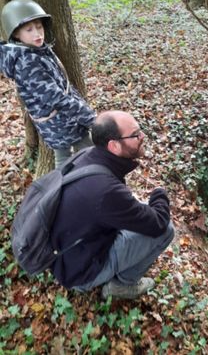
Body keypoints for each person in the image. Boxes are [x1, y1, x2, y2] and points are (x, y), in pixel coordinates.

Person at [50, 110, 174, 300]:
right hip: (80, 272)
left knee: (138, 210)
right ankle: (122, 285)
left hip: (68, 252)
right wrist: (160, 194)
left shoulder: (87, 156)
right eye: (135, 135)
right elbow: (158, 223)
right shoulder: (105, 191)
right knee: (167, 230)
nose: (143, 136)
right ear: (114, 145)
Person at [0, 0, 96, 168]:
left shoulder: (38, 51)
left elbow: (61, 83)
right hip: (58, 122)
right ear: (16, 34)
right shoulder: (27, 63)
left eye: (39, 27)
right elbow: (56, 97)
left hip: (65, 119)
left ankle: (82, 183)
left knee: (84, 153)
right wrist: (89, 117)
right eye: (29, 30)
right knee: (71, 159)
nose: (37, 34)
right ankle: (65, 190)